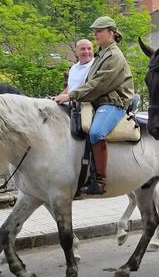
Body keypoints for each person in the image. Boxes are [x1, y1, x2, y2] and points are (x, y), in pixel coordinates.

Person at [53, 16, 134, 193]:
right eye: (94, 31)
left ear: (110, 33)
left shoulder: (114, 56)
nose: (95, 34)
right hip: (98, 100)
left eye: (99, 31)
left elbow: (99, 84)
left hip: (113, 102)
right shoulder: (102, 52)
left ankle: (100, 181)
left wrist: (71, 95)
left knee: (96, 133)